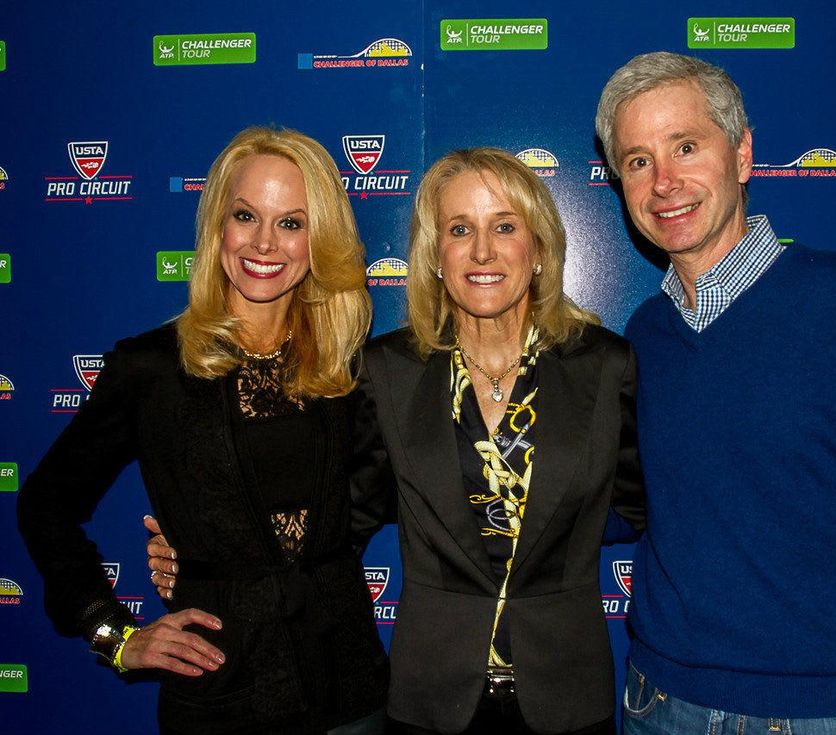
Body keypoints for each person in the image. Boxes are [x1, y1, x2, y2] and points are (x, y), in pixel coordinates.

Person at [150, 147, 646, 734]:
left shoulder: (605, 365)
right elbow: (336, 522)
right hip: (429, 697)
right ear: (435, 254)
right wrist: (215, 550)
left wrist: (565, 527)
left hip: (569, 694)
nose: (482, 251)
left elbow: (633, 506)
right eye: (459, 229)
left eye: (504, 227)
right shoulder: (386, 371)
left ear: (537, 248)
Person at [595, 51, 836, 735]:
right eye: (637, 160)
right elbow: (641, 500)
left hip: (830, 714)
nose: (664, 182)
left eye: (686, 146)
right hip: (660, 702)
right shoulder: (645, 335)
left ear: (742, 154)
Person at [18, 127, 388, 735]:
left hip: (349, 689)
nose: (265, 242)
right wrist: (113, 634)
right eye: (246, 215)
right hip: (222, 692)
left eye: (291, 223)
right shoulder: (152, 369)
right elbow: (45, 504)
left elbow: (381, 500)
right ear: (218, 224)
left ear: (319, 239)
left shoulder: (349, 368)